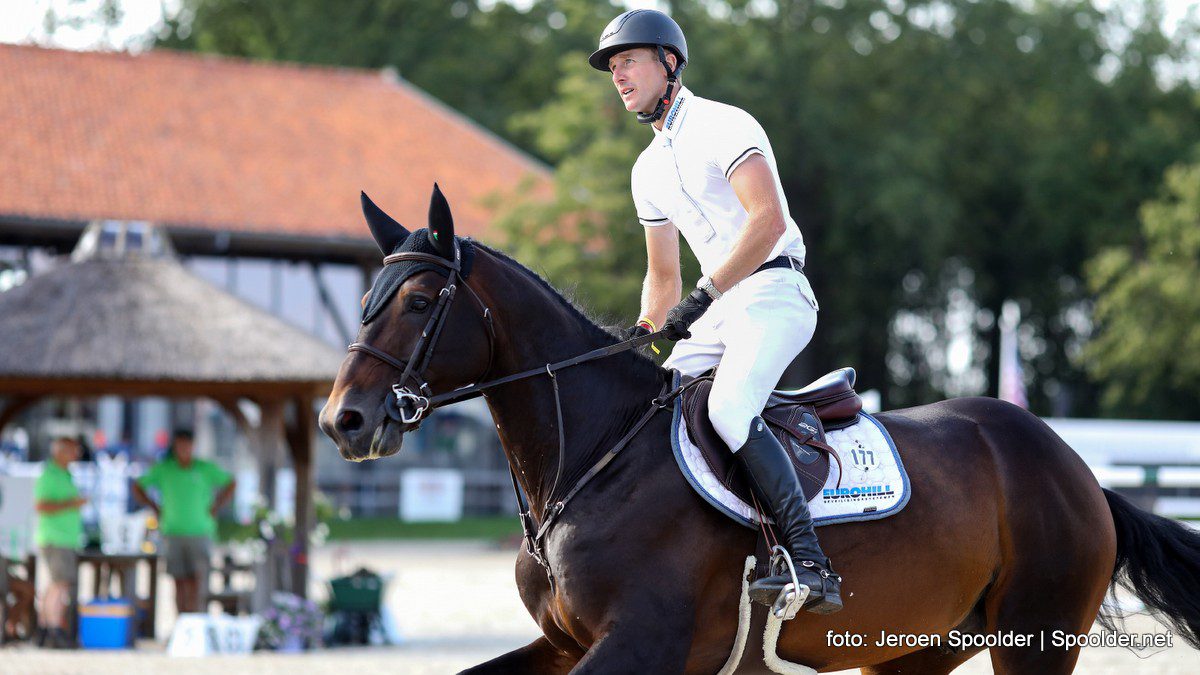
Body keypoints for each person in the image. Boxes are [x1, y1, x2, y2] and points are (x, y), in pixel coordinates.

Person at [589, 9, 843, 614]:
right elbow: (662, 275)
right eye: (613, 67)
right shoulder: (645, 170)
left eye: (628, 61)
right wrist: (647, 332)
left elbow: (768, 221)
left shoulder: (725, 124)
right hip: (719, 307)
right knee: (651, 404)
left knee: (728, 406)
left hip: (774, 292)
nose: (618, 76)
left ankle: (810, 562)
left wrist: (703, 297)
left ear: (669, 63)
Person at [132, 430, 235, 615]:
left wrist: (217, 506)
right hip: (173, 532)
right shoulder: (164, 468)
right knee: (178, 581)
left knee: (198, 580)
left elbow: (231, 482)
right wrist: (154, 507)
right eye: (180, 445)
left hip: (200, 532)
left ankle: (197, 618)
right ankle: (181, 620)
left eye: (187, 445)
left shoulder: (204, 468)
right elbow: (138, 485)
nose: (184, 449)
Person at [34, 436, 86, 647]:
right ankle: (54, 629)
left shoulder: (66, 474)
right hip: (55, 538)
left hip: (65, 538)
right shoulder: (49, 475)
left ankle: (46, 629)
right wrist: (72, 504)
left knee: (54, 585)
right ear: (61, 451)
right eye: (73, 450)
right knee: (59, 585)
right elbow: (42, 506)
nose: (76, 455)